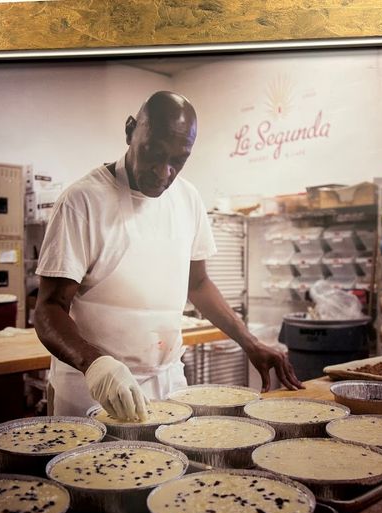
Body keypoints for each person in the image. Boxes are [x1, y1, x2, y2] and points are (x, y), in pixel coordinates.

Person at [34, 91, 302, 420]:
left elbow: (199, 283)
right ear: (131, 130)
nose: (164, 172)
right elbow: (49, 308)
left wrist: (250, 342)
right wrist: (96, 364)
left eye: (178, 159)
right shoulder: (82, 202)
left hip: (167, 383)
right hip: (94, 387)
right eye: (154, 153)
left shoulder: (187, 200)